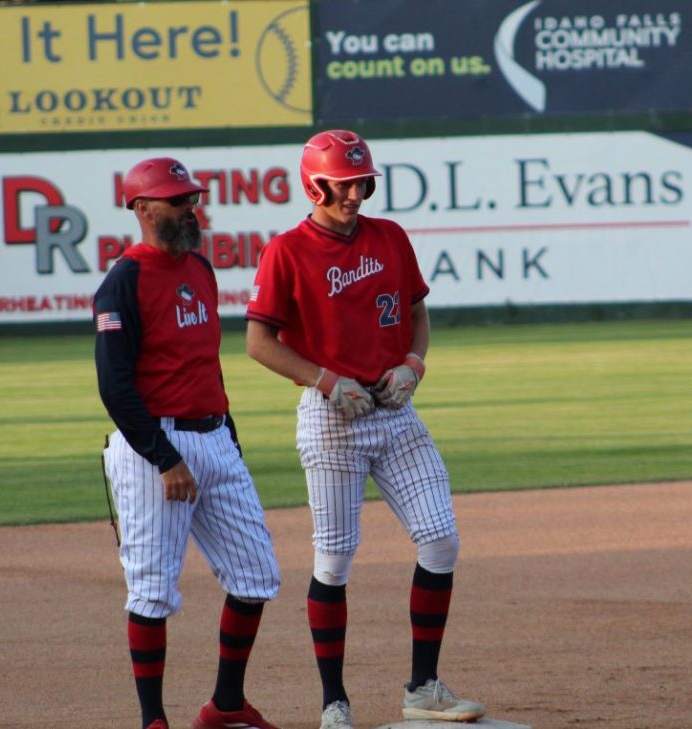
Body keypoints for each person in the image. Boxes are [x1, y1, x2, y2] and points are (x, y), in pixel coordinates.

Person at [245, 130, 486, 728]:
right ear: (314, 184)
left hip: (394, 410)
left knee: (441, 540)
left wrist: (414, 364)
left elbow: (415, 311)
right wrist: (325, 381)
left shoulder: (390, 237)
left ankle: (423, 688)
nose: (356, 193)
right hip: (332, 419)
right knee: (335, 560)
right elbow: (258, 342)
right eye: (344, 183)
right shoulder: (286, 251)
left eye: (363, 182)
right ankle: (334, 702)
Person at [94, 157, 281, 729]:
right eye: (177, 201)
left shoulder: (200, 267)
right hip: (156, 446)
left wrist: (231, 440)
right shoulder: (122, 281)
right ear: (143, 209)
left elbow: (206, 365)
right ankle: (153, 719)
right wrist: (164, 457)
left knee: (256, 576)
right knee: (152, 591)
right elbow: (114, 385)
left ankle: (225, 704)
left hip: (214, 436)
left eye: (192, 199)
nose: (189, 209)